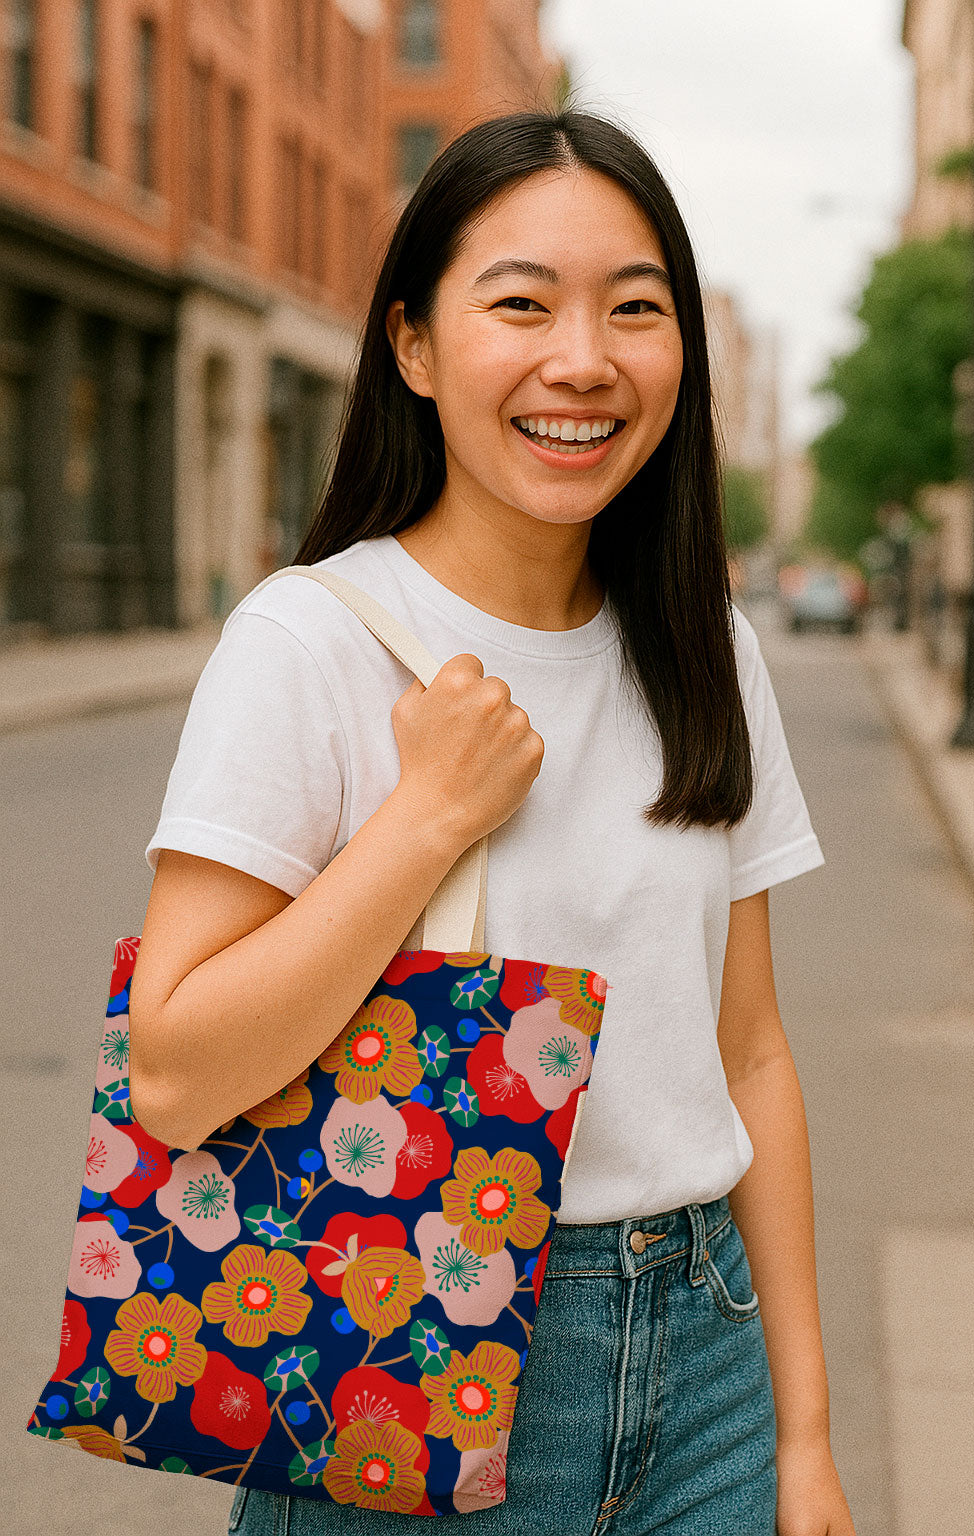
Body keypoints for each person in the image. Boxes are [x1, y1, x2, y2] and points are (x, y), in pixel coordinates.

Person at [129, 107, 855, 1536]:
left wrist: (806, 1434)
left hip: (705, 1359)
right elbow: (174, 1070)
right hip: (407, 1331)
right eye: (520, 303)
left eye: (634, 310)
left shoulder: (704, 641)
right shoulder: (311, 641)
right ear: (413, 345)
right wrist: (423, 821)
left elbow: (751, 1048)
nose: (581, 360)